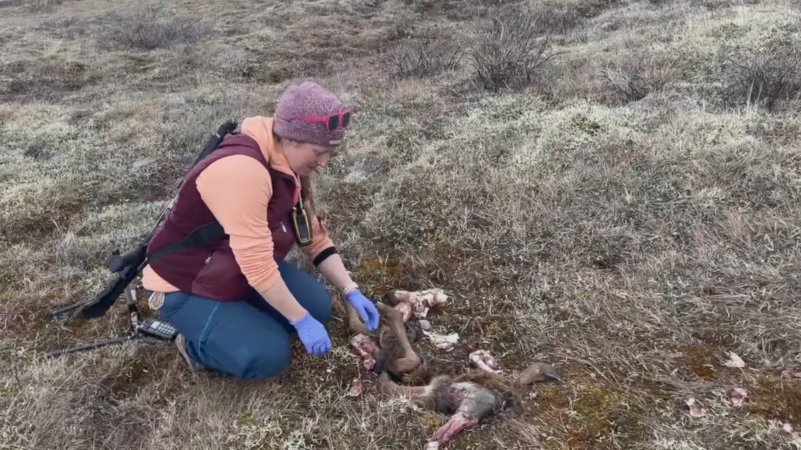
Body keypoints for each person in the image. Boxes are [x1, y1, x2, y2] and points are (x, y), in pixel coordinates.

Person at [140, 81, 380, 380]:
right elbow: (257, 265)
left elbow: (313, 237)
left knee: (319, 308)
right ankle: (194, 346)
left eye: (330, 152)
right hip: (187, 285)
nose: (324, 163)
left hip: (234, 269)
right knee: (269, 354)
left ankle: (242, 318)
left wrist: (350, 289)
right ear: (291, 138)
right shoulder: (244, 171)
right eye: (319, 152)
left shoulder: (285, 162)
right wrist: (300, 320)